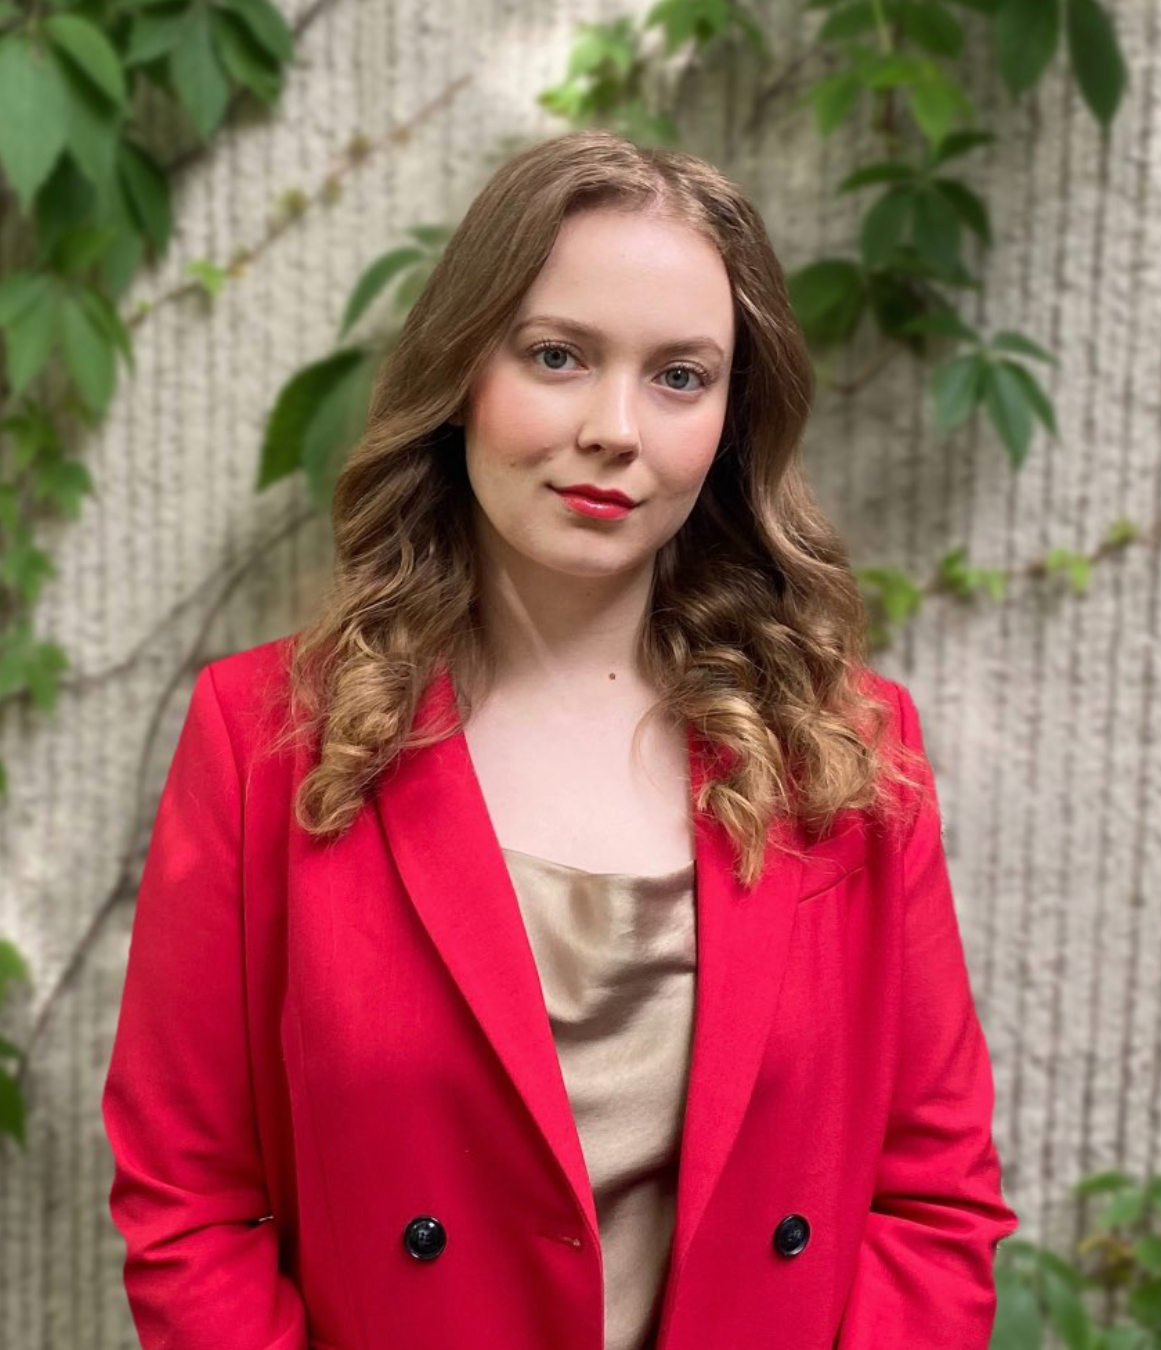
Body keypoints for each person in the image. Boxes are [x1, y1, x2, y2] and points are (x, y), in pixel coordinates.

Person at [101, 128, 1019, 1350]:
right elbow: (188, 1203)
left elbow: (933, 1197)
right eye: (556, 355)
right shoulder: (268, 738)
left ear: (732, 419)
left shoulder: (840, 750)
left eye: (679, 376)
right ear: (459, 370)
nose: (613, 428)